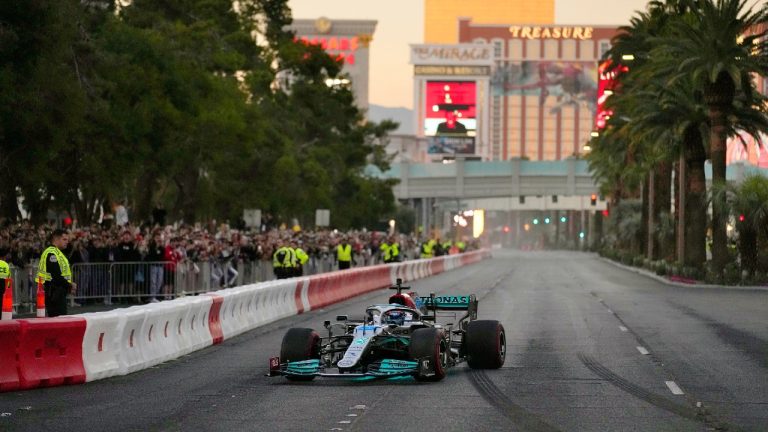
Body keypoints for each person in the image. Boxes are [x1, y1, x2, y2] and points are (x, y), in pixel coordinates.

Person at [36, 229, 76, 317]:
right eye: (64, 239)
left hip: (57, 292)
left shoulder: (58, 252)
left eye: (68, 240)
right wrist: (69, 285)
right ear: (56, 239)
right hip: (53, 293)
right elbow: (56, 275)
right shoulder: (51, 253)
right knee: (58, 321)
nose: (67, 242)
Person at [145, 231, 165, 303]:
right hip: (153, 266)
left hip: (160, 266)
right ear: (154, 238)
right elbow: (151, 254)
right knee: (153, 282)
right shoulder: (151, 246)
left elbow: (162, 255)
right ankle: (152, 297)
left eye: (159, 237)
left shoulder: (161, 247)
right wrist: (156, 246)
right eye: (156, 238)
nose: (158, 239)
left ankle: (155, 296)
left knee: (159, 281)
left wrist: (161, 245)